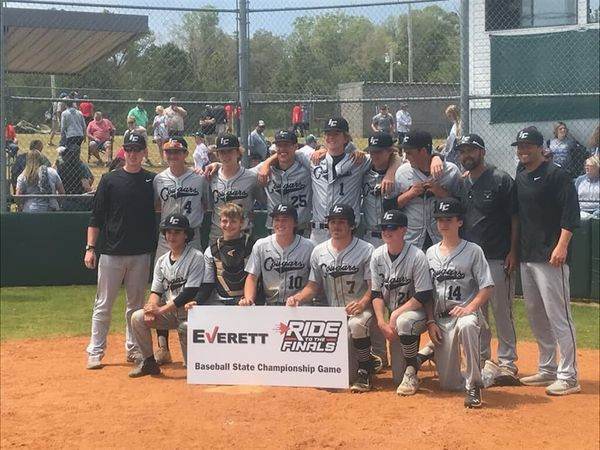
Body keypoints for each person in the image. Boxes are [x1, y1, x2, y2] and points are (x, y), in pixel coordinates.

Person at [511, 127, 581, 395]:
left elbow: (570, 215)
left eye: (528, 145)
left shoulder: (557, 174)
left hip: (551, 255)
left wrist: (561, 246)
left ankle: (569, 375)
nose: (523, 150)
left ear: (541, 147)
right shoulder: (521, 173)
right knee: (536, 314)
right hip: (528, 255)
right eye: (520, 146)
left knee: (559, 315)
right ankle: (548, 367)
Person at [83, 131, 158, 370]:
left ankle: (133, 350)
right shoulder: (109, 180)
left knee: (135, 308)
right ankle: (95, 351)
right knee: (103, 304)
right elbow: (96, 217)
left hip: (140, 252)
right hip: (111, 252)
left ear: (145, 152)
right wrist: (90, 248)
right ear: (123, 151)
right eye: (129, 149)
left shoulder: (152, 180)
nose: (133, 154)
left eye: (137, 149)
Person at [286, 204, 378, 392]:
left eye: (341, 222)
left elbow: (374, 287)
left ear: (352, 225)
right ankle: (365, 358)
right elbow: (313, 286)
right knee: (338, 376)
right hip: (334, 315)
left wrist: (362, 303)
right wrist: (297, 297)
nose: (336, 226)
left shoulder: (366, 250)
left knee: (357, 324)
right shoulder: (319, 251)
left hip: (361, 312)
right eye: (332, 222)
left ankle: (365, 370)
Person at [457, 134, 520, 385]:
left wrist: (513, 251)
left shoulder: (500, 179)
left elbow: (515, 218)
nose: (466, 155)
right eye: (462, 151)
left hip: (497, 255)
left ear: (482, 152)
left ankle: (508, 363)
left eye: (471, 150)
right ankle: (482, 360)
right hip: (471, 259)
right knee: (477, 313)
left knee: (502, 311)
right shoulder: (462, 183)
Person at [425, 197, 495, 408]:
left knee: (467, 325)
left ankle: (474, 385)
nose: (443, 224)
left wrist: (469, 308)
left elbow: (487, 286)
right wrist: (430, 322)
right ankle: (488, 373)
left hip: (466, 313)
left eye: (448, 219)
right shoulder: (429, 253)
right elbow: (427, 293)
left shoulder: (473, 250)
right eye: (439, 219)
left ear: (460, 222)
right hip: (441, 319)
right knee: (448, 384)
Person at [129, 214, 205, 376]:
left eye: (177, 232)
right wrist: (150, 308)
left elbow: (189, 293)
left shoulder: (196, 257)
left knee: (192, 368)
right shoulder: (162, 261)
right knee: (137, 317)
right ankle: (149, 362)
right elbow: (156, 292)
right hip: (170, 312)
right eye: (168, 232)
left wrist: (159, 311)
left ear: (186, 235)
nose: (172, 236)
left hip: (191, 314)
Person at [370, 210, 433, 395]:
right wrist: (381, 322)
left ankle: (412, 373)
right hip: (393, 320)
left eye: (392, 227)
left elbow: (423, 294)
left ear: (404, 230)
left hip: (416, 314)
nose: (387, 232)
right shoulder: (377, 255)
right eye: (384, 228)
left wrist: (396, 314)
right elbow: (376, 293)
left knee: (404, 320)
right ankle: (423, 355)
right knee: (396, 378)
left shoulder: (417, 255)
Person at [395, 130, 461, 250]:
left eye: (409, 153)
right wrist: (409, 194)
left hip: (442, 239)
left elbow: (462, 205)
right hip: (412, 240)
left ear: (424, 151)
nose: (406, 157)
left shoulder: (451, 171)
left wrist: (440, 192)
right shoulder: (402, 172)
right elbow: (391, 205)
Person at [241, 204, 314, 306]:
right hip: (271, 306)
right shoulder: (261, 245)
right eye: (277, 220)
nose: (280, 223)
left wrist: (298, 298)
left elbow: (314, 283)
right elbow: (252, 277)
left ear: (295, 223)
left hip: (300, 306)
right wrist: (249, 300)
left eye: (285, 220)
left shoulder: (309, 247)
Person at [207, 134, 264, 242]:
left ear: (238, 152)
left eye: (230, 151)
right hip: (217, 235)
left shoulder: (251, 177)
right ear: (217, 154)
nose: (226, 155)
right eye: (222, 152)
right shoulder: (211, 176)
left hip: (243, 235)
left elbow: (263, 200)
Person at [197, 203, 255, 306]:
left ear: (241, 223)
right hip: (221, 304)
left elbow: (257, 279)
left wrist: (249, 300)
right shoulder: (211, 250)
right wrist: (196, 302)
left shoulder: (253, 246)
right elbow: (207, 285)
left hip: (248, 303)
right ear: (219, 222)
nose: (228, 225)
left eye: (233, 221)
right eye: (225, 221)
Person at [258, 129, 312, 235]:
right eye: (279, 145)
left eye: (287, 145)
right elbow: (242, 173)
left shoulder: (306, 169)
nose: (283, 149)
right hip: (275, 228)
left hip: (301, 227)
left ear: (295, 147)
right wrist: (217, 165)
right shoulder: (265, 169)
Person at [361, 131, 402, 247]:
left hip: (394, 234)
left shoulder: (401, 173)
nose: (374, 155)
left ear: (390, 151)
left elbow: (398, 157)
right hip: (369, 236)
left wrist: (391, 173)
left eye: (379, 151)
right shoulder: (363, 172)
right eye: (372, 152)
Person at [15, 148, 64, 212]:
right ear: (41, 159)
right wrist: (57, 204)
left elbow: (18, 196)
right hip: (51, 208)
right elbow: (62, 192)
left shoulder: (23, 175)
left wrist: (20, 207)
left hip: (31, 210)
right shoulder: (52, 172)